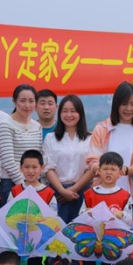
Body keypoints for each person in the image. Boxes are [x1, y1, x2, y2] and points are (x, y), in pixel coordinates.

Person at [8, 149, 58, 265]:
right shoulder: (14, 191)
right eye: (27, 167)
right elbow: (7, 214)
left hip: (38, 245)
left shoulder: (49, 193)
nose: (30, 171)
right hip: (19, 243)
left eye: (34, 167)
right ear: (21, 168)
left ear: (42, 168)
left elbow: (53, 219)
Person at [87, 81, 133, 207]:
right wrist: (101, 170)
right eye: (124, 104)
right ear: (116, 104)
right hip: (102, 194)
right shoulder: (101, 129)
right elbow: (93, 160)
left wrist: (125, 170)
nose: (129, 109)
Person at [80, 151, 133, 265]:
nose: (109, 172)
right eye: (105, 169)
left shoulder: (125, 195)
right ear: (98, 171)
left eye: (113, 169)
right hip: (91, 245)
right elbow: (80, 216)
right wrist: (87, 212)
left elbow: (130, 220)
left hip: (112, 246)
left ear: (120, 172)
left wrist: (121, 214)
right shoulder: (89, 194)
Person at [43, 95, 94, 224]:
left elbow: (92, 168)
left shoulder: (90, 138)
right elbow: (49, 168)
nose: (69, 115)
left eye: (73, 111)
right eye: (65, 111)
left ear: (80, 113)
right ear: (59, 113)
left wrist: (73, 190)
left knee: (81, 233)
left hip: (82, 192)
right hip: (57, 194)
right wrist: (62, 191)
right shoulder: (51, 138)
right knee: (56, 233)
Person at [0, 84, 42, 204]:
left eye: (31, 101)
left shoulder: (37, 126)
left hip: (33, 183)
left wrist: (33, 183)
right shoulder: (6, 124)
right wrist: (24, 185)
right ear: (14, 101)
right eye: (22, 101)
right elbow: (7, 160)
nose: (27, 105)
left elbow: (38, 156)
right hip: (11, 183)